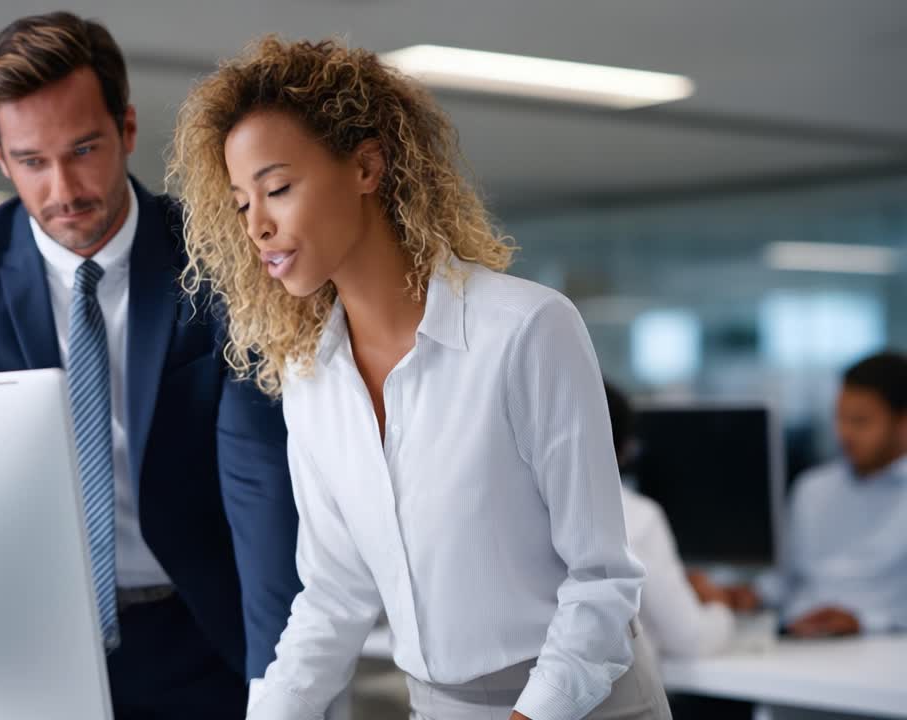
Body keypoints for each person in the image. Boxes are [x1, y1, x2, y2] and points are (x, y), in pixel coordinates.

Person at [170, 37, 670, 720]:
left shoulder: (525, 332)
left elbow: (601, 580)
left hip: (584, 705)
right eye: (240, 203)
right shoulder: (313, 379)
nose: (258, 225)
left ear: (366, 166)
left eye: (278, 188)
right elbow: (334, 597)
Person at [0, 13, 302, 719]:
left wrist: (280, 684)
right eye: (32, 162)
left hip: (197, 636)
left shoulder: (218, 257)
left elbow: (259, 482)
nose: (63, 188)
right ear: (0, 158)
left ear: (127, 129)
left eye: (83, 149)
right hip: (20, 643)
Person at [729, 350, 907, 637]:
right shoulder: (812, 489)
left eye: (860, 421)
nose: (844, 433)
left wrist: (863, 621)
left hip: (881, 645)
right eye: (840, 418)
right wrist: (744, 595)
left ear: (902, 423)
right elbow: (782, 583)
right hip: (796, 637)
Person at [603, 382, 735, 659]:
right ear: (625, 450)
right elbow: (689, 640)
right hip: (617, 698)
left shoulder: (520, 516)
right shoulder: (637, 518)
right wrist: (721, 606)